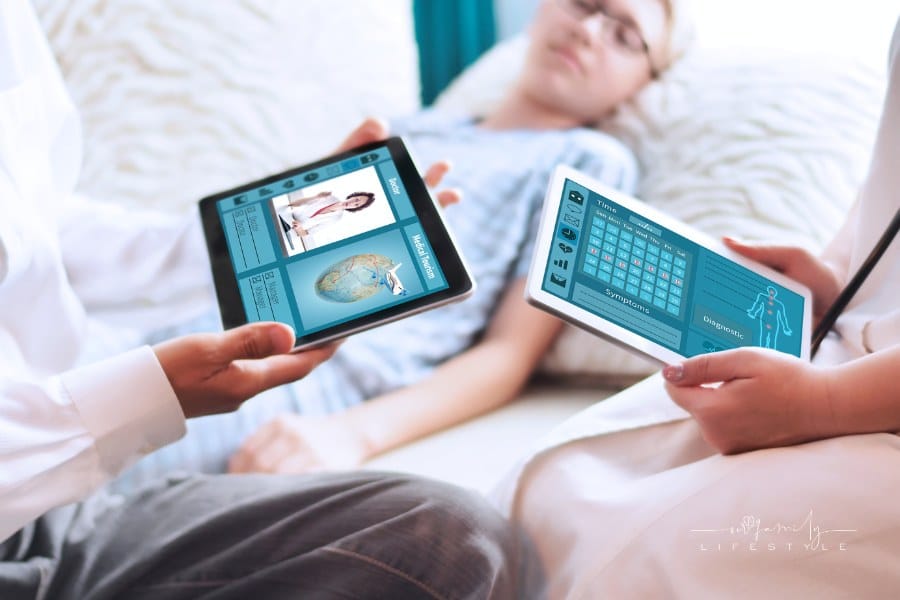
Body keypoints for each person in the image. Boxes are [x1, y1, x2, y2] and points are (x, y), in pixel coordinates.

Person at [0, 2, 533, 597]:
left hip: (51, 501)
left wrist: (251, 240)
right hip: (28, 465)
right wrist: (147, 397)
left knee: (448, 538)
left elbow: (34, 230)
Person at [115, 0, 695, 486]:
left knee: (71, 471)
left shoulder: (587, 163)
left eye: (624, 35)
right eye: (585, 4)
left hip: (322, 375)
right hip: (193, 323)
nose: (589, 30)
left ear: (645, 81)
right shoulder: (413, 126)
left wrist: (349, 433)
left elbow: (507, 356)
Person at [495, 15, 900, 598]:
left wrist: (826, 404)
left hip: (869, 397)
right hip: (845, 346)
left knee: (635, 563)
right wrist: (840, 274)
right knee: (549, 489)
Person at [279, 189, 376, 238]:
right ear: (353, 196)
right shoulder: (330, 197)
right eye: (356, 199)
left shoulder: (336, 218)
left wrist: (299, 227)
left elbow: (305, 234)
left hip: (290, 231)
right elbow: (294, 204)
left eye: (356, 204)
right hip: (284, 216)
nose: (352, 203)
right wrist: (316, 197)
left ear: (355, 208)